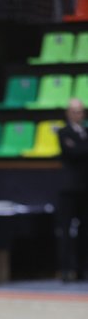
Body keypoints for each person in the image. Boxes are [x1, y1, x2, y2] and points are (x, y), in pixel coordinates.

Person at [57, 98, 88, 281]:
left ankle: (83, 268)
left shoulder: (85, 132)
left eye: (81, 111)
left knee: (85, 230)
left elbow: (79, 150)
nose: (79, 115)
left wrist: (80, 148)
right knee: (66, 229)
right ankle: (66, 269)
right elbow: (73, 152)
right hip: (69, 188)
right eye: (75, 111)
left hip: (85, 188)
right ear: (68, 113)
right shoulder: (63, 132)